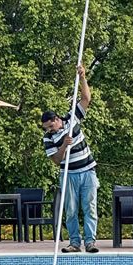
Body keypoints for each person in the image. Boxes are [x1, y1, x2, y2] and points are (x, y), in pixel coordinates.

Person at [41, 65, 99, 253]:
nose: (50, 130)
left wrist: (82, 77)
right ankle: (75, 243)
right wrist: (65, 145)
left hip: (88, 171)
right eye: (47, 128)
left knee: (89, 207)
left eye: (51, 126)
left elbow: (86, 99)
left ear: (57, 119)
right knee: (71, 210)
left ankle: (90, 242)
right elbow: (56, 161)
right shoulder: (48, 139)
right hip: (69, 175)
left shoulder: (72, 118)